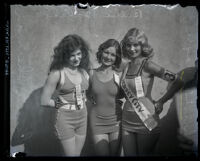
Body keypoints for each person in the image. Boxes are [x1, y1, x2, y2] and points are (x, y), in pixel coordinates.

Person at [120, 28, 184, 156]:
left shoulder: (148, 65)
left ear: (142, 46)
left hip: (146, 121)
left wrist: (162, 101)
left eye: (135, 45)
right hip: (127, 121)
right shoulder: (126, 66)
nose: (132, 49)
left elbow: (178, 81)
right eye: (128, 45)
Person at [40, 34, 90, 156]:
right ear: (64, 55)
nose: (76, 58)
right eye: (72, 55)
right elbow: (44, 101)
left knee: (77, 154)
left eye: (78, 54)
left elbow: (86, 93)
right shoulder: (57, 73)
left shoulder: (84, 72)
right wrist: (59, 104)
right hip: (65, 119)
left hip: (83, 117)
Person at [87, 39, 123, 156]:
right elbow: (85, 93)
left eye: (113, 55)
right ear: (101, 52)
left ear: (117, 58)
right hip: (97, 121)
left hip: (116, 121)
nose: (108, 57)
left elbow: (125, 94)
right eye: (106, 52)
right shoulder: (91, 73)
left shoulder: (119, 75)